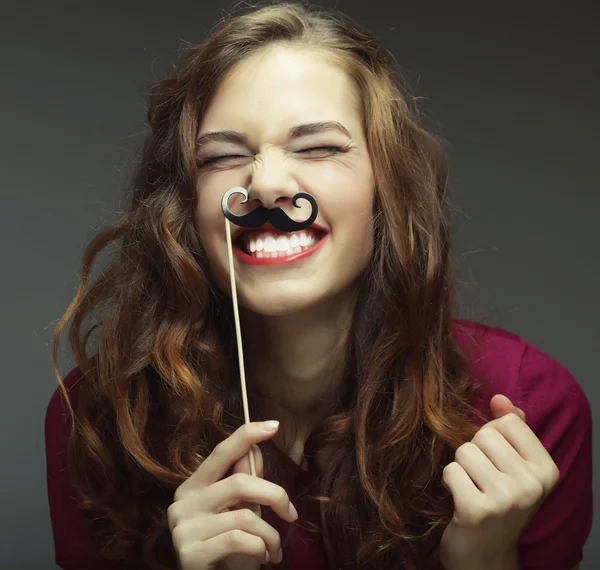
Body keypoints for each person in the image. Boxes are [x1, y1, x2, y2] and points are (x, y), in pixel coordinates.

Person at [44, 2, 593, 570]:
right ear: (184, 205)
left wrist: (485, 561)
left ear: (388, 183)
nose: (266, 184)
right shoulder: (100, 420)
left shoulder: (530, 408)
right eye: (225, 156)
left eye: (319, 147)